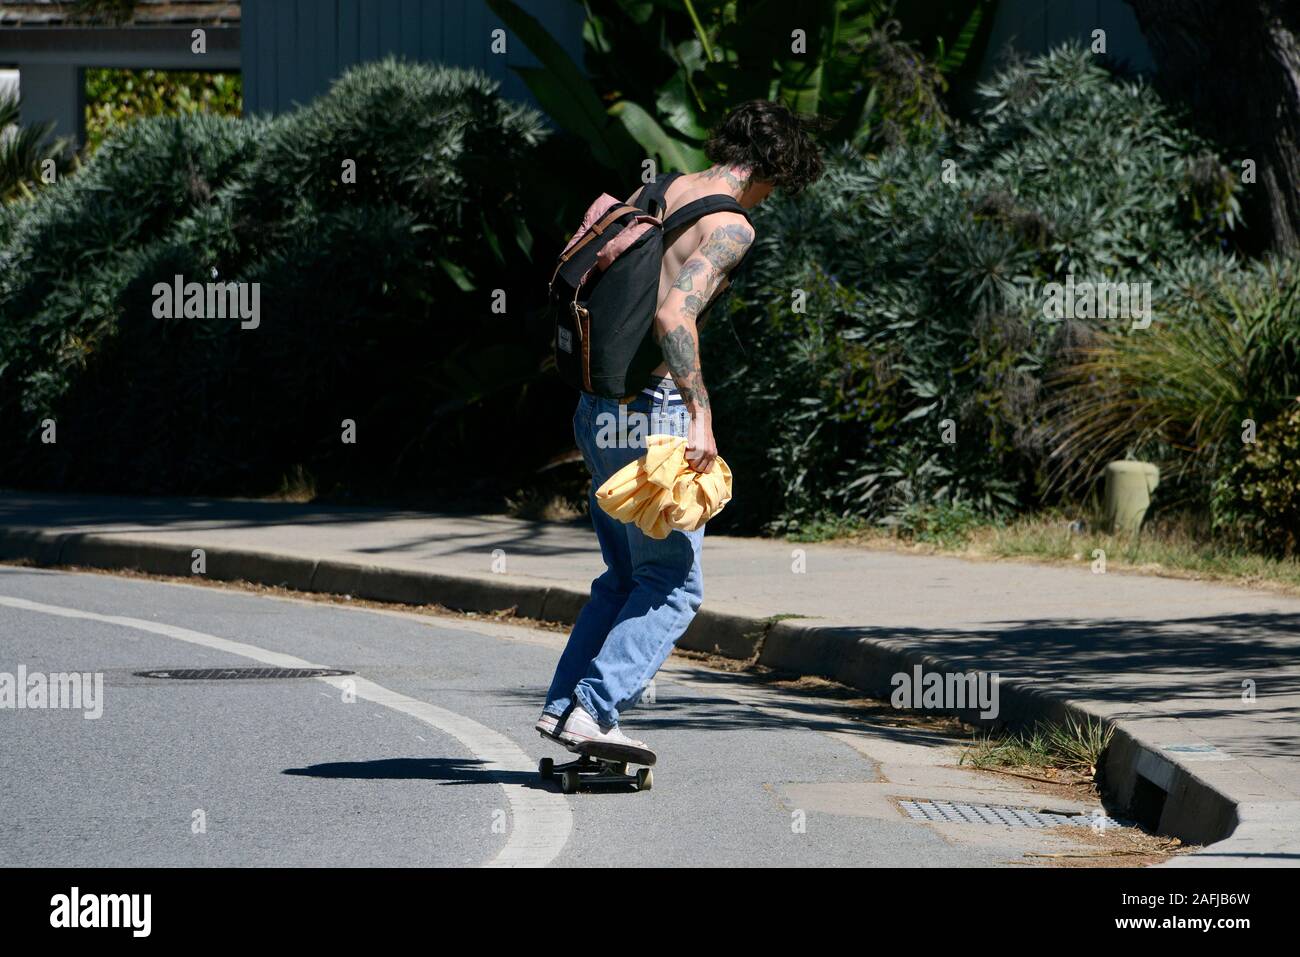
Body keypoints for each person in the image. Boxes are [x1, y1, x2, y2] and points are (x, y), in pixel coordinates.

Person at [537, 99, 825, 754]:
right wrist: (701, 413)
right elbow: (673, 314)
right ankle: (594, 707)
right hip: (655, 417)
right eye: (777, 185)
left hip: (597, 407)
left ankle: (563, 708)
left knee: (622, 577)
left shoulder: (659, 188)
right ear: (769, 170)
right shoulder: (733, 227)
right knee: (671, 583)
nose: (771, 199)